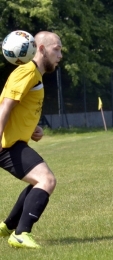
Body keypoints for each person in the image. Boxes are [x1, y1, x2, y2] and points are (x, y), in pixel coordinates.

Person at [0, 31, 62, 248]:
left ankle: (7, 227)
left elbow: (19, 108)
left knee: (39, 181)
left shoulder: (34, 74)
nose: (60, 54)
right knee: (47, 180)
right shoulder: (27, 72)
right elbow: (5, 107)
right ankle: (20, 233)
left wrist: (33, 128)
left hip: (14, 142)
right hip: (6, 145)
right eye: (57, 48)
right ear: (42, 48)